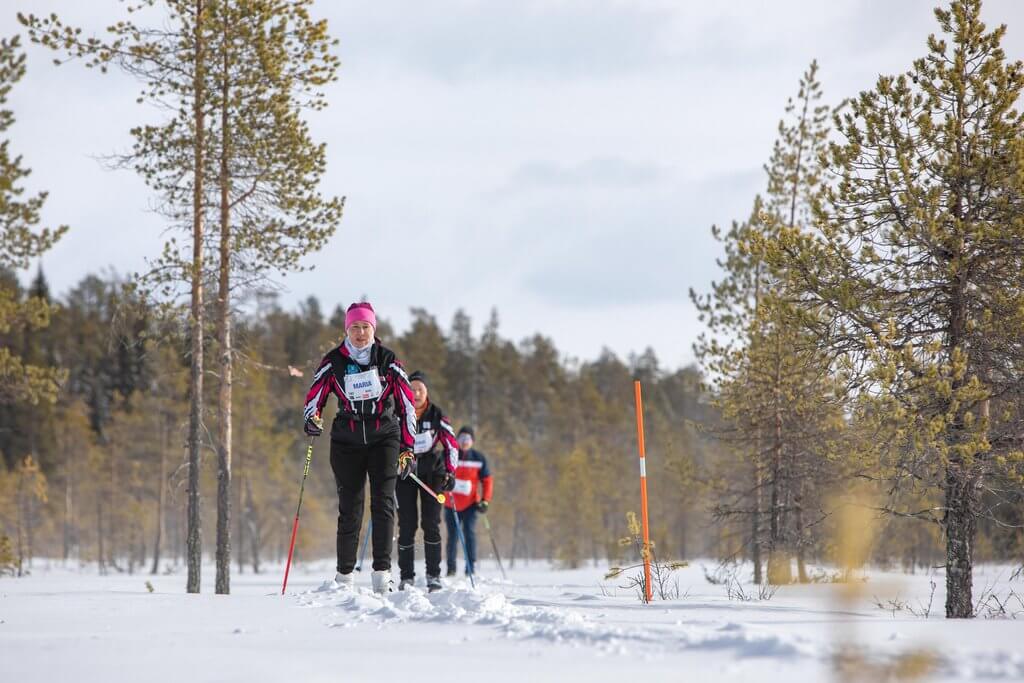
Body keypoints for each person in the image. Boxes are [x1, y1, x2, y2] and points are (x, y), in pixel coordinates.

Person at [303, 301, 417, 594]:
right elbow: (315, 395)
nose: (360, 333)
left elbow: (407, 405)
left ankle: (382, 575)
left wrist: (408, 447)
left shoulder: (387, 359)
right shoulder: (333, 361)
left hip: (384, 438)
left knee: (383, 504)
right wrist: (312, 418)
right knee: (350, 508)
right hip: (347, 441)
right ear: (347, 329)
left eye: (365, 327)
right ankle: (344, 577)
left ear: (373, 329)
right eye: (355, 327)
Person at [395, 371, 459, 592]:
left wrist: (451, 472)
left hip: (432, 473)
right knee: (406, 525)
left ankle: (433, 576)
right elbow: (385, 440)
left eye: (420, 389)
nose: (416, 393)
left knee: (431, 524)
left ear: (426, 392)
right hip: (405, 473)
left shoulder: (436, 414)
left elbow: (451, 444)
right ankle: (406, 577)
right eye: (412, 389)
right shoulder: (399, 412)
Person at [445, 426, 493, 577]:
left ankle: (470, 567)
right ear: (457, 440)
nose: (464, 442)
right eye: (461, 438)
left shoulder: (479, 458)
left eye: (468, 439)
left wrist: (485, 500)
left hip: (471, 504)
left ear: (472, 441)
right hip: (450, 503)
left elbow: (487, 481)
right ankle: (451, 568)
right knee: (452, 536)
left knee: (469, 534)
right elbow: (439, 474)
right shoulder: (449, 455)